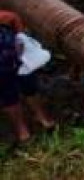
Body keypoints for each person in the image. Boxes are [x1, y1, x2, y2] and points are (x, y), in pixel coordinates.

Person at [0, 10, 55, 145]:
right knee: (9, 97)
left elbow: (13, 18)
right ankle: (23, 129)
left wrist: (20, 38)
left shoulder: (4, 18)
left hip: (16, 59)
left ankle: (40, 118)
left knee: (28, 86)